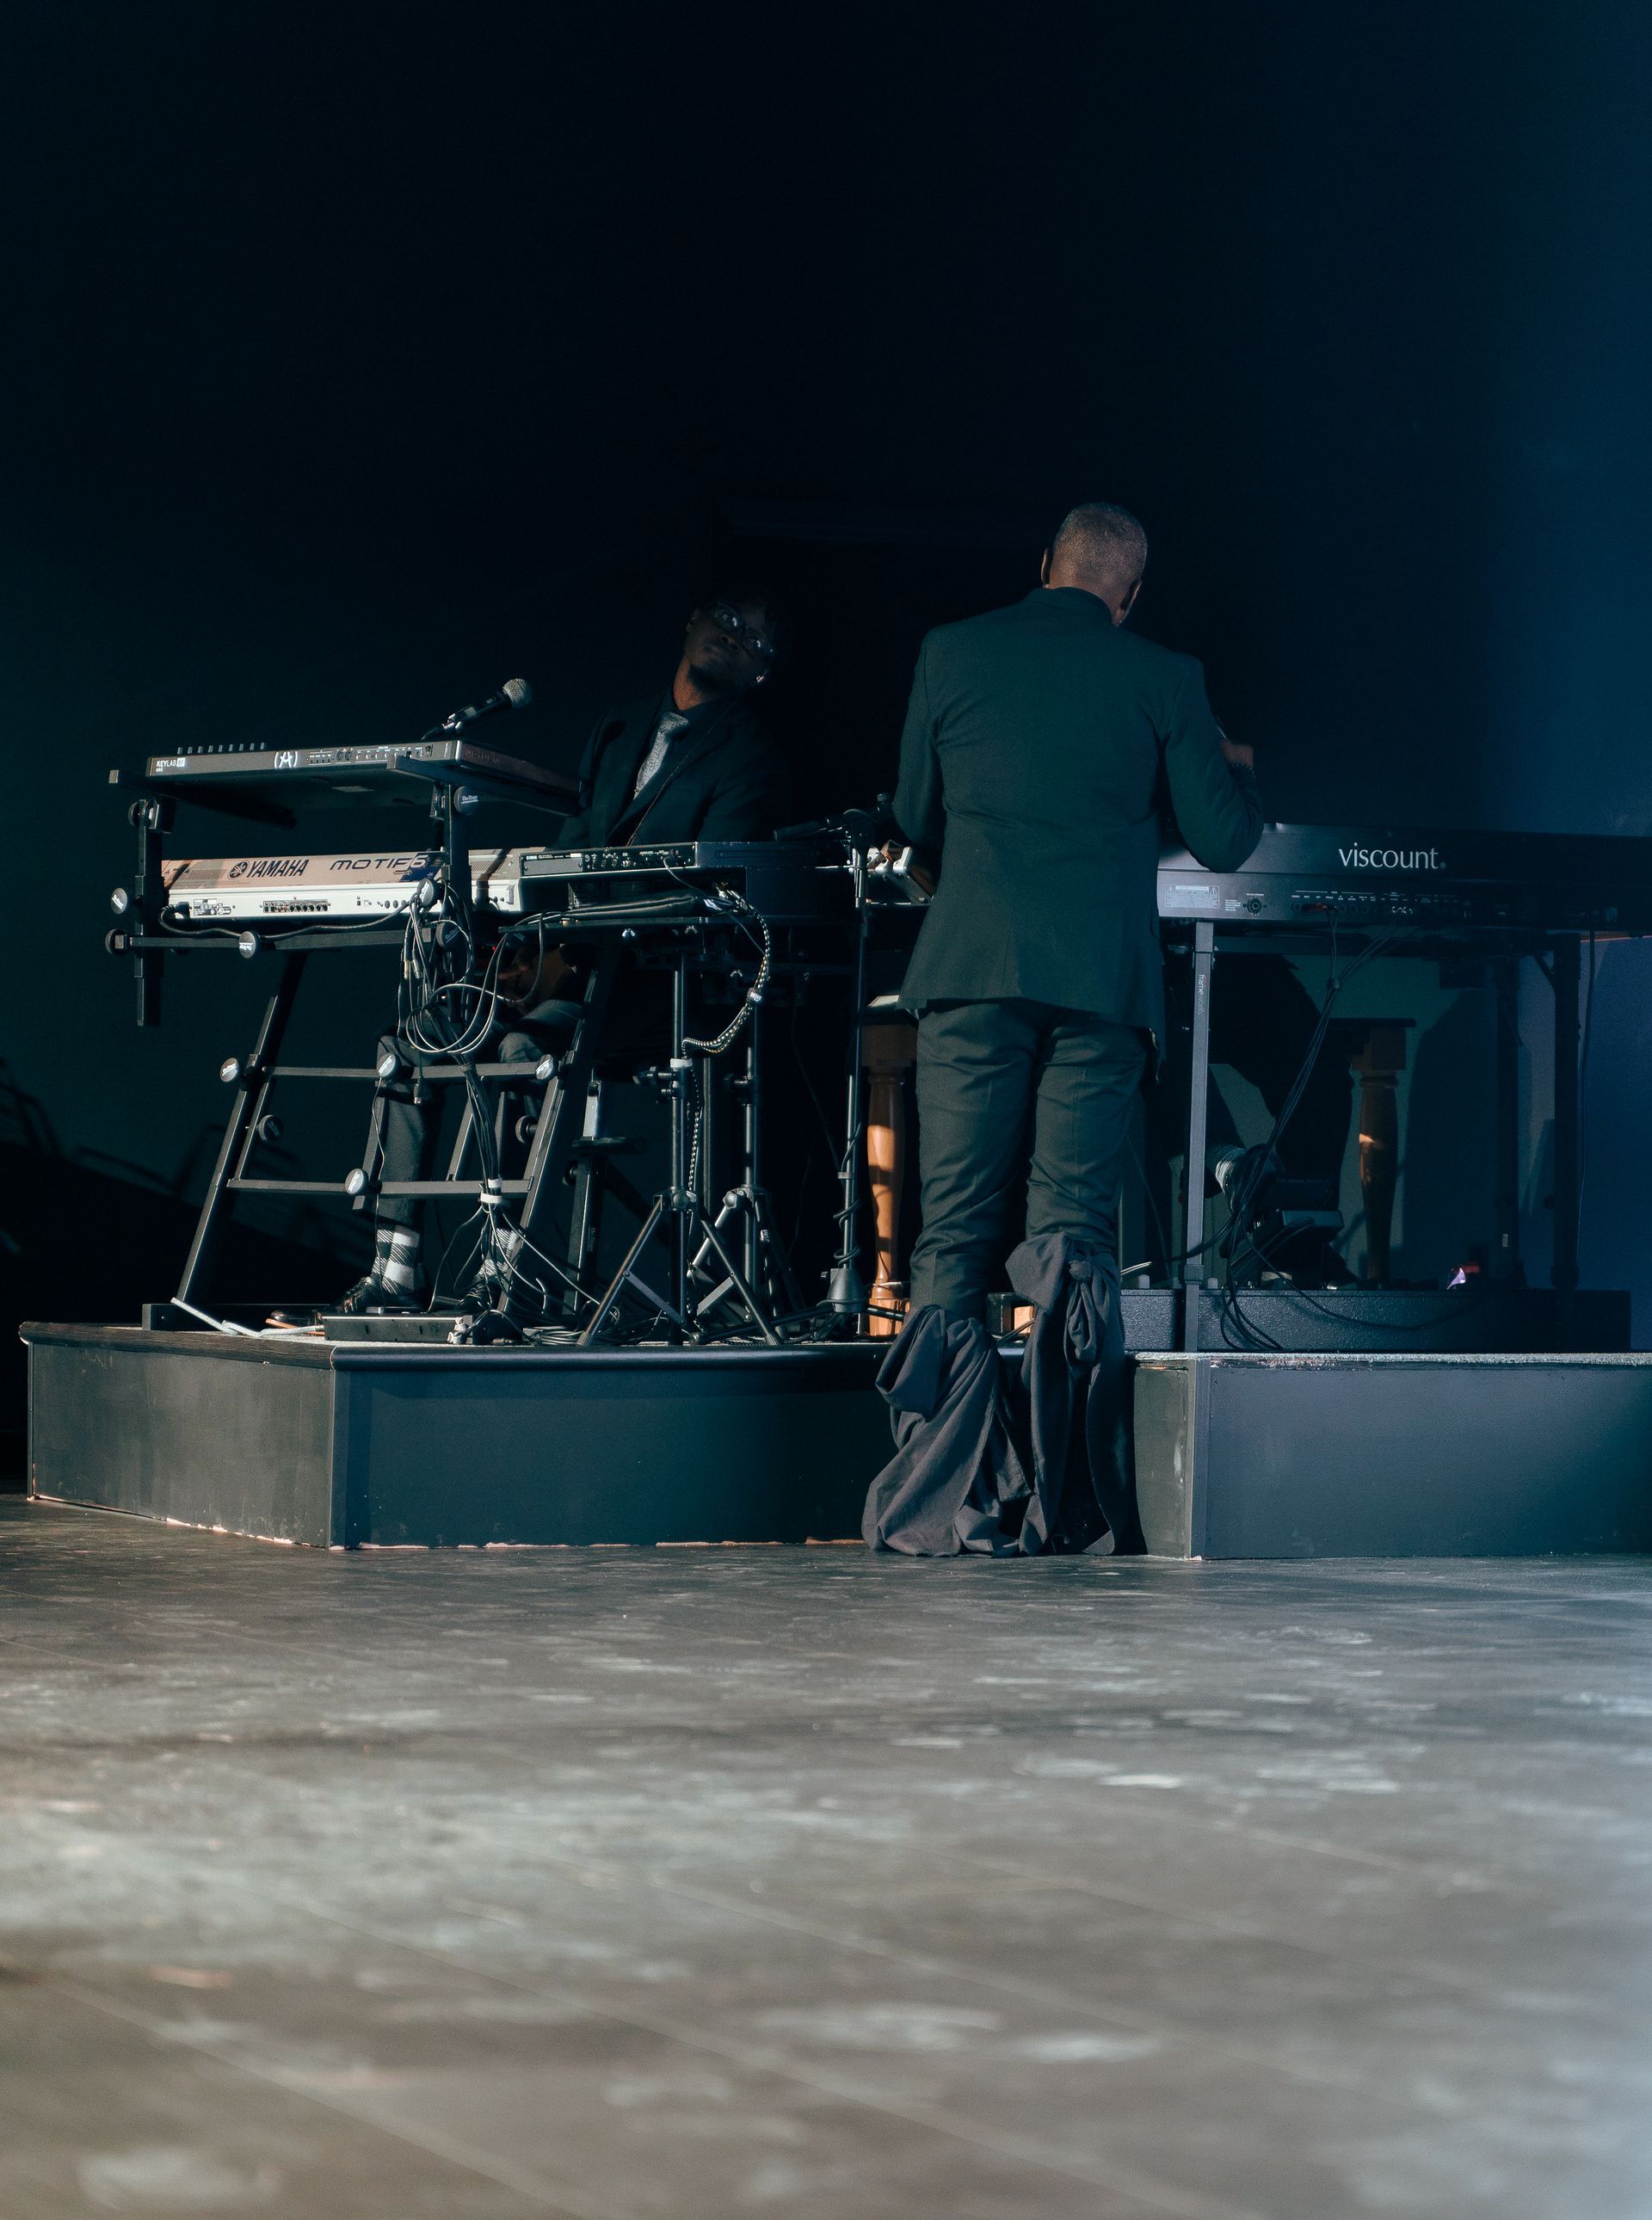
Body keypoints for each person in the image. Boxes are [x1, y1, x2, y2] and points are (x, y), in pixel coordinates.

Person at [862, 503, 1262, 1556]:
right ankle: (1064, 1499)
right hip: (1098, 980)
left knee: (953, 1228)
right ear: (1129, 595)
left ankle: (939, 1506)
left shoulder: (951, 651)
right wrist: (1227, 761)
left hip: (973, 968)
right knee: (1071, 1232)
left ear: (1044, 565)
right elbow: (1225, 840)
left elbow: (911, 815)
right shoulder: (1163, 675)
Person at [338, 589, 792, 1316]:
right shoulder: (619, 727)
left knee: (524, 1049)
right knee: (411, 1044)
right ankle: (397, 1269)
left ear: (763, 672)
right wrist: (520, 936)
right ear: (692, 619)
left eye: (754, 639)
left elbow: (707, 881)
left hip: (649, 983)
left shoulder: (752, 752)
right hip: (567, 967)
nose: (732, 638)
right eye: (726, 620)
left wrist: (578, 937)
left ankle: (506, 1268)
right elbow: (570, 850)